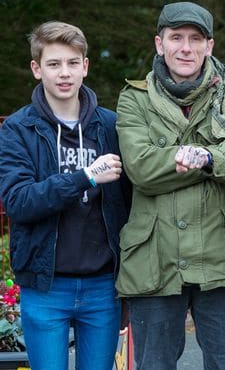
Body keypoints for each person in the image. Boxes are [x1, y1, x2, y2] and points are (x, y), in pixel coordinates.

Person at [115, 2, 225, 369]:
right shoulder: (133, 99)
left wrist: (207, 158)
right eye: (176, 38)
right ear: (159, 43)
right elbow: (142, 169)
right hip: (154, 259)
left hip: (223, 256)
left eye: (195, 39)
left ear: (209, 46)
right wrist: (213, 158)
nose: (185, 47)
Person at [0, 21, 130, 369]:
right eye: (54, 64)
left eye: (73, 63)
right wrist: (85, 177)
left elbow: (130, 206)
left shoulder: (111, 126)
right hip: (45, 286)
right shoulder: (18, 128)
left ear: (85, 67)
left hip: (103, 287)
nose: (64, 73)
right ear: (36, 68)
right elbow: (18, 200)